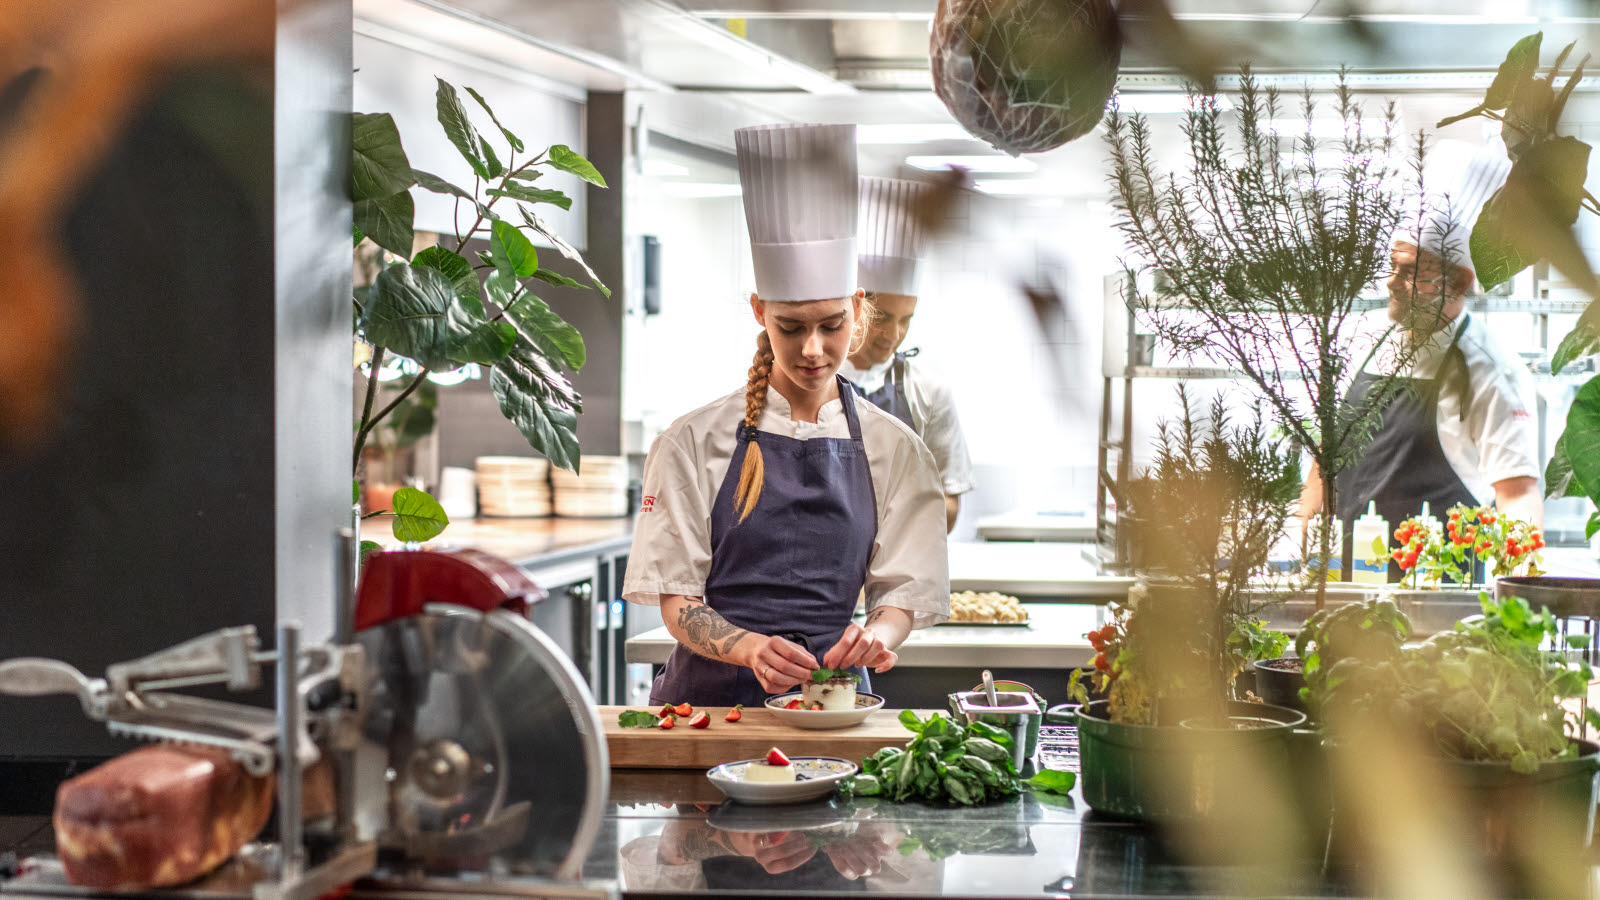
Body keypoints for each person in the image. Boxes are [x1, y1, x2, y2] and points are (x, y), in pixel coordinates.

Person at [622, 124, 950, 708]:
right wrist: (747, 647)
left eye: (832, 325)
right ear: (759, 311)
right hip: (709, 710)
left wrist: (876, 636)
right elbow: (678, 602)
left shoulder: (894, 448)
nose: (813, 350)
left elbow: (901, 593)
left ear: (858, 309)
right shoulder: (692, 442)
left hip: (834, 706)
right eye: (790, 328)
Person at [1300, 140, 1542, 571]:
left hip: (1437, 596)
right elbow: (1329, 452)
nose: (1393, 283)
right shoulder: (1366, 336)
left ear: (1461, 281)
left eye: (1411, 271)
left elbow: (1517, 492)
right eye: (1393, 267)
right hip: (1345, 581)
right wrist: (1302, 529)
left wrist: (1515, 596)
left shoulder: (1491, 369)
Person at [841, 177, 975, 533]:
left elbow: (949, 507)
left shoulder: (929, 391)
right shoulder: (812, 381)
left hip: (903, 573)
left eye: (906, 320)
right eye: (883, 318)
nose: (895, 334)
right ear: (856, 307)